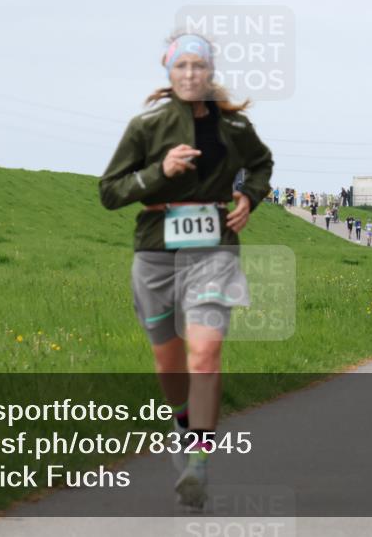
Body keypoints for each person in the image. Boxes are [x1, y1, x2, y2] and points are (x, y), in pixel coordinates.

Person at [99, 33, 273, 509]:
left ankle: (198, 462)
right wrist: (161, 171)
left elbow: (261, 164)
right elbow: (110, 192)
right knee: (169, 364)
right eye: (182, 66)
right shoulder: (146, 126)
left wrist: (248, 196)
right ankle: (181, 422)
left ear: (210, 71)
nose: (191, 73)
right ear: (168, 70)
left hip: (214, 251)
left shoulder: (233, 126)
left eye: (199, 65)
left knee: (206, 354)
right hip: (156, 254)